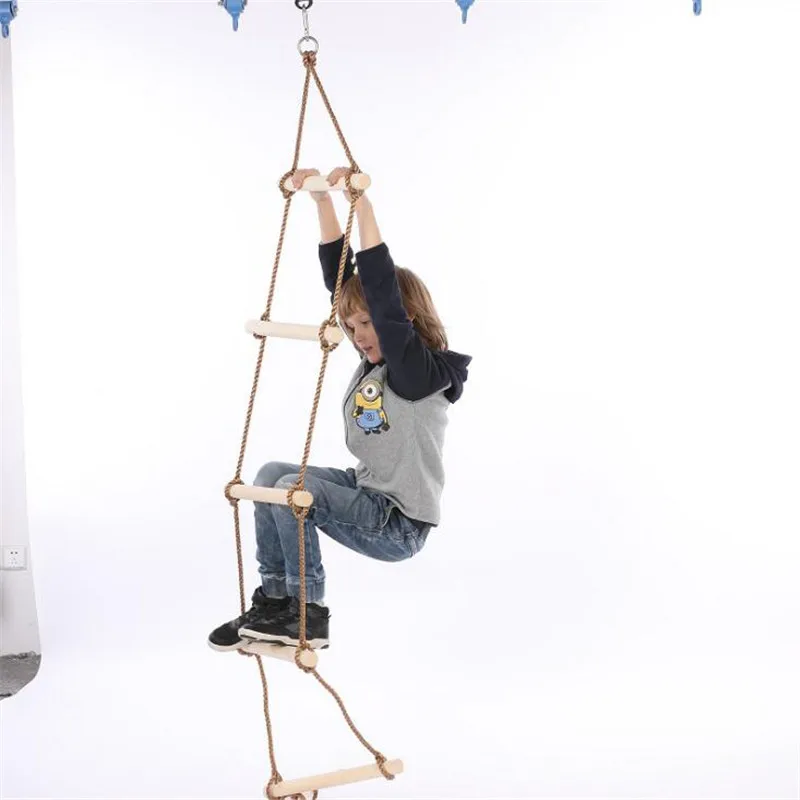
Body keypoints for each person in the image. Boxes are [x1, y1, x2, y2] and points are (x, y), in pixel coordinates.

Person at [208, 167, 472, 651]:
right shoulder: (377, 362)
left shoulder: (416, 372)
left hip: (398, 523)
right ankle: (275, 601)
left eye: (366, 325)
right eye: (350, 327)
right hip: (368, 490)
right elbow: (341, 281)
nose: (358, 336)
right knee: (270, 476)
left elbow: (382, 296)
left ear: (403, 321)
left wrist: (361, 206)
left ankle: (308, 614)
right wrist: (323, 202)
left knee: (293, 493)